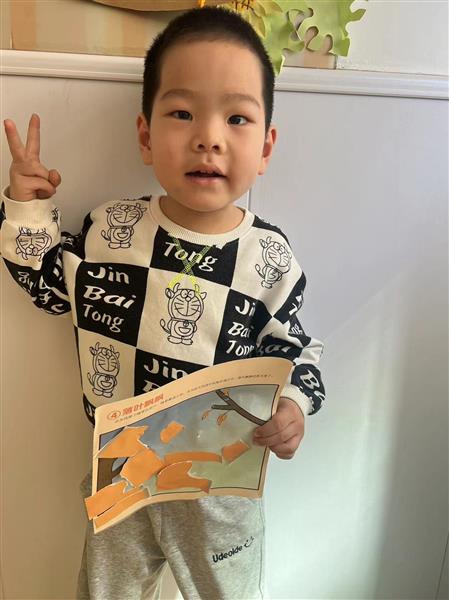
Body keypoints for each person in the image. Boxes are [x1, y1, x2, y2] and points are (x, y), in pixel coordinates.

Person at [1, 5, 325, 599]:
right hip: (123, 472)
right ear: (146, 136)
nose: (208, 137)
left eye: (237, 118)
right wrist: (26, 205)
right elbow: (47, 284)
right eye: (182, 113)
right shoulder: (111, 230)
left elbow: (297, 349)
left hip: (220, 488)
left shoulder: (269, 257)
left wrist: (295, 407)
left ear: (265, 147)